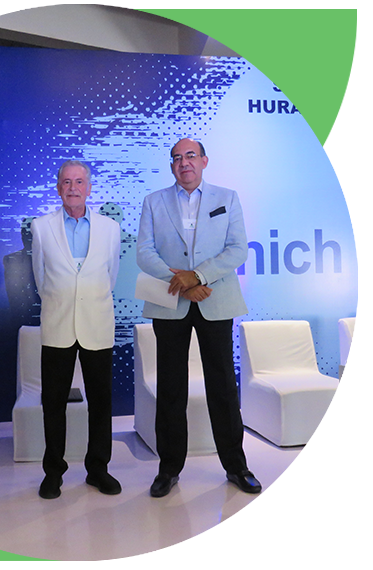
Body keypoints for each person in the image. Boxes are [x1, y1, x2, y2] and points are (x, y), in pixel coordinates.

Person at [136, 138, 261, 497]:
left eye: (190, 156)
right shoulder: (153, 201)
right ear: (171, 165)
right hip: (170, 301)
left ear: (204, 161)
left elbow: (237, 249)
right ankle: (168, 470)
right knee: (170, 388)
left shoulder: (227, 198)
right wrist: (183, 283)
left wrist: (199, 276)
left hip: (214, 299)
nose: (184, 162)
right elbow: (144, 252)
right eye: (177, 158)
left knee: (222, 386)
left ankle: (237, 467)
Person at [31, 160, 122, 499]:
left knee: (101, 401)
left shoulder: (110, 228)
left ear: (89, 187)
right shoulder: (41, 227)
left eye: (79, 182)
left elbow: (110, 276)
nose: (73, 188)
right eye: (66, 182)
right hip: (58, 323)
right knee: (53, 402)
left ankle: (98, 469)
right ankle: (53, 472)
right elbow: (41, 278)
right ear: (58, 188)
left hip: (97, 323)